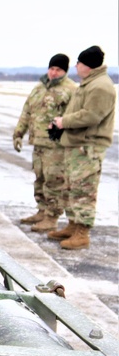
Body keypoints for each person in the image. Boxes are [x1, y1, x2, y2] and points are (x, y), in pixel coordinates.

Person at [42, 45, 116, 250]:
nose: (76, 66)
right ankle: (73, 225)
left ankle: (82, 233)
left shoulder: (100, 86)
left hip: (88, 147)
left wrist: (64, 121)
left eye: (79, 63)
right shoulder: (89, 84)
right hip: (77, 145)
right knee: (72, 188)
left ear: (88, 66)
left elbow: (92, 115)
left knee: (84, 190)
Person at [14, 54, 76, 228]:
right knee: (40, 178)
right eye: (52, 68)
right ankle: (41, 210)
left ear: (65, 71)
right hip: (38, 143)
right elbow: (27, 111)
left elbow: (73, 118)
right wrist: (19, 133)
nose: (54, 72)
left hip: (56, 145)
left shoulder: (70, 90)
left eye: (58, 69)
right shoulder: (39, 88)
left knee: (54, 181)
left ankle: (51, 217)